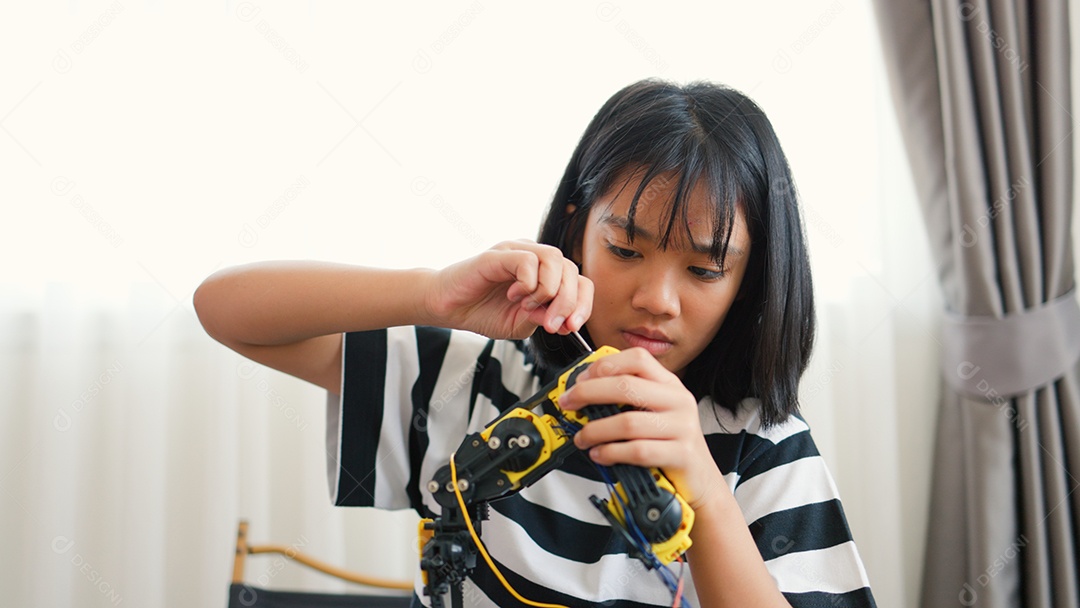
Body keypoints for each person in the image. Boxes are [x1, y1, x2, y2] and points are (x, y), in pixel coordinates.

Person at [195, 79, 877, 608]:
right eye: (624, 248)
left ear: (750, 282)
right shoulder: (479, 382)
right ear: (576, 228)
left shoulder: (762, 445)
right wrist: (430, 293)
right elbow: (225, 309)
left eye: (703, 269)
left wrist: (705, 491)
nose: (657, 300)